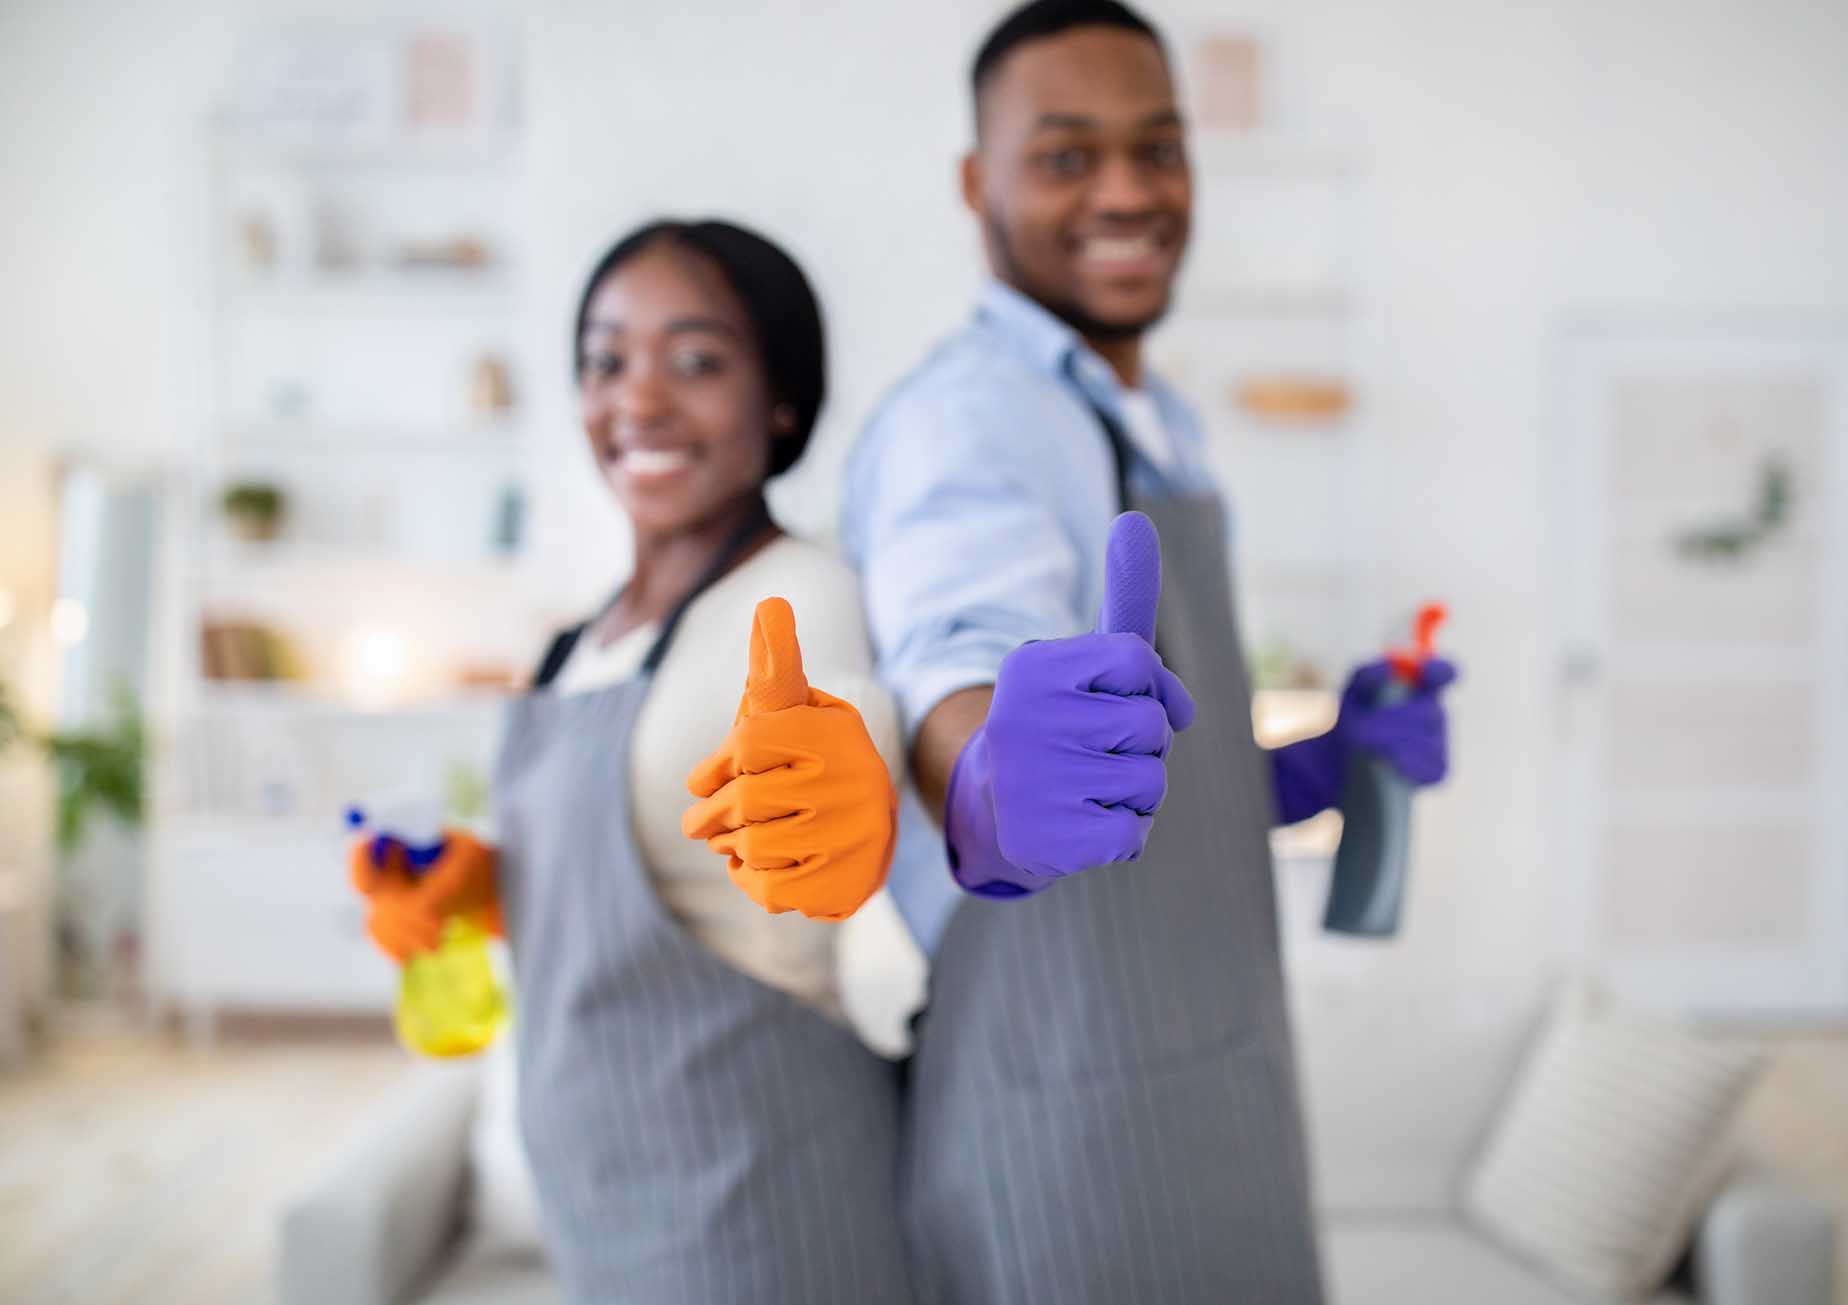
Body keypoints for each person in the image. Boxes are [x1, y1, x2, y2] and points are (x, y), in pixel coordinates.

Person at [839, 3, 1458, 1301]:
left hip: (1222, 1103)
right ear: (977, 183)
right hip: (1069, 1136)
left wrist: (1319, 767)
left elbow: (1180, 782)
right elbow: (957, 649)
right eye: (1067, 155)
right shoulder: (974, 421)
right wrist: (992, 775)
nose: (1126, 191)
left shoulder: (1155, 422)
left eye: (1158, 148)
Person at [349, 218, 919, 1305]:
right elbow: (601, 901)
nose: (640, 402)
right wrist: (471, 889)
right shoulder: (575, 642)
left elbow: (847, 725)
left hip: (765, 1197)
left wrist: (848, 790)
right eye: (607, 361)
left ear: (782, 400)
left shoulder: (797, 598)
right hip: (603, 1202)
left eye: (697, 361)